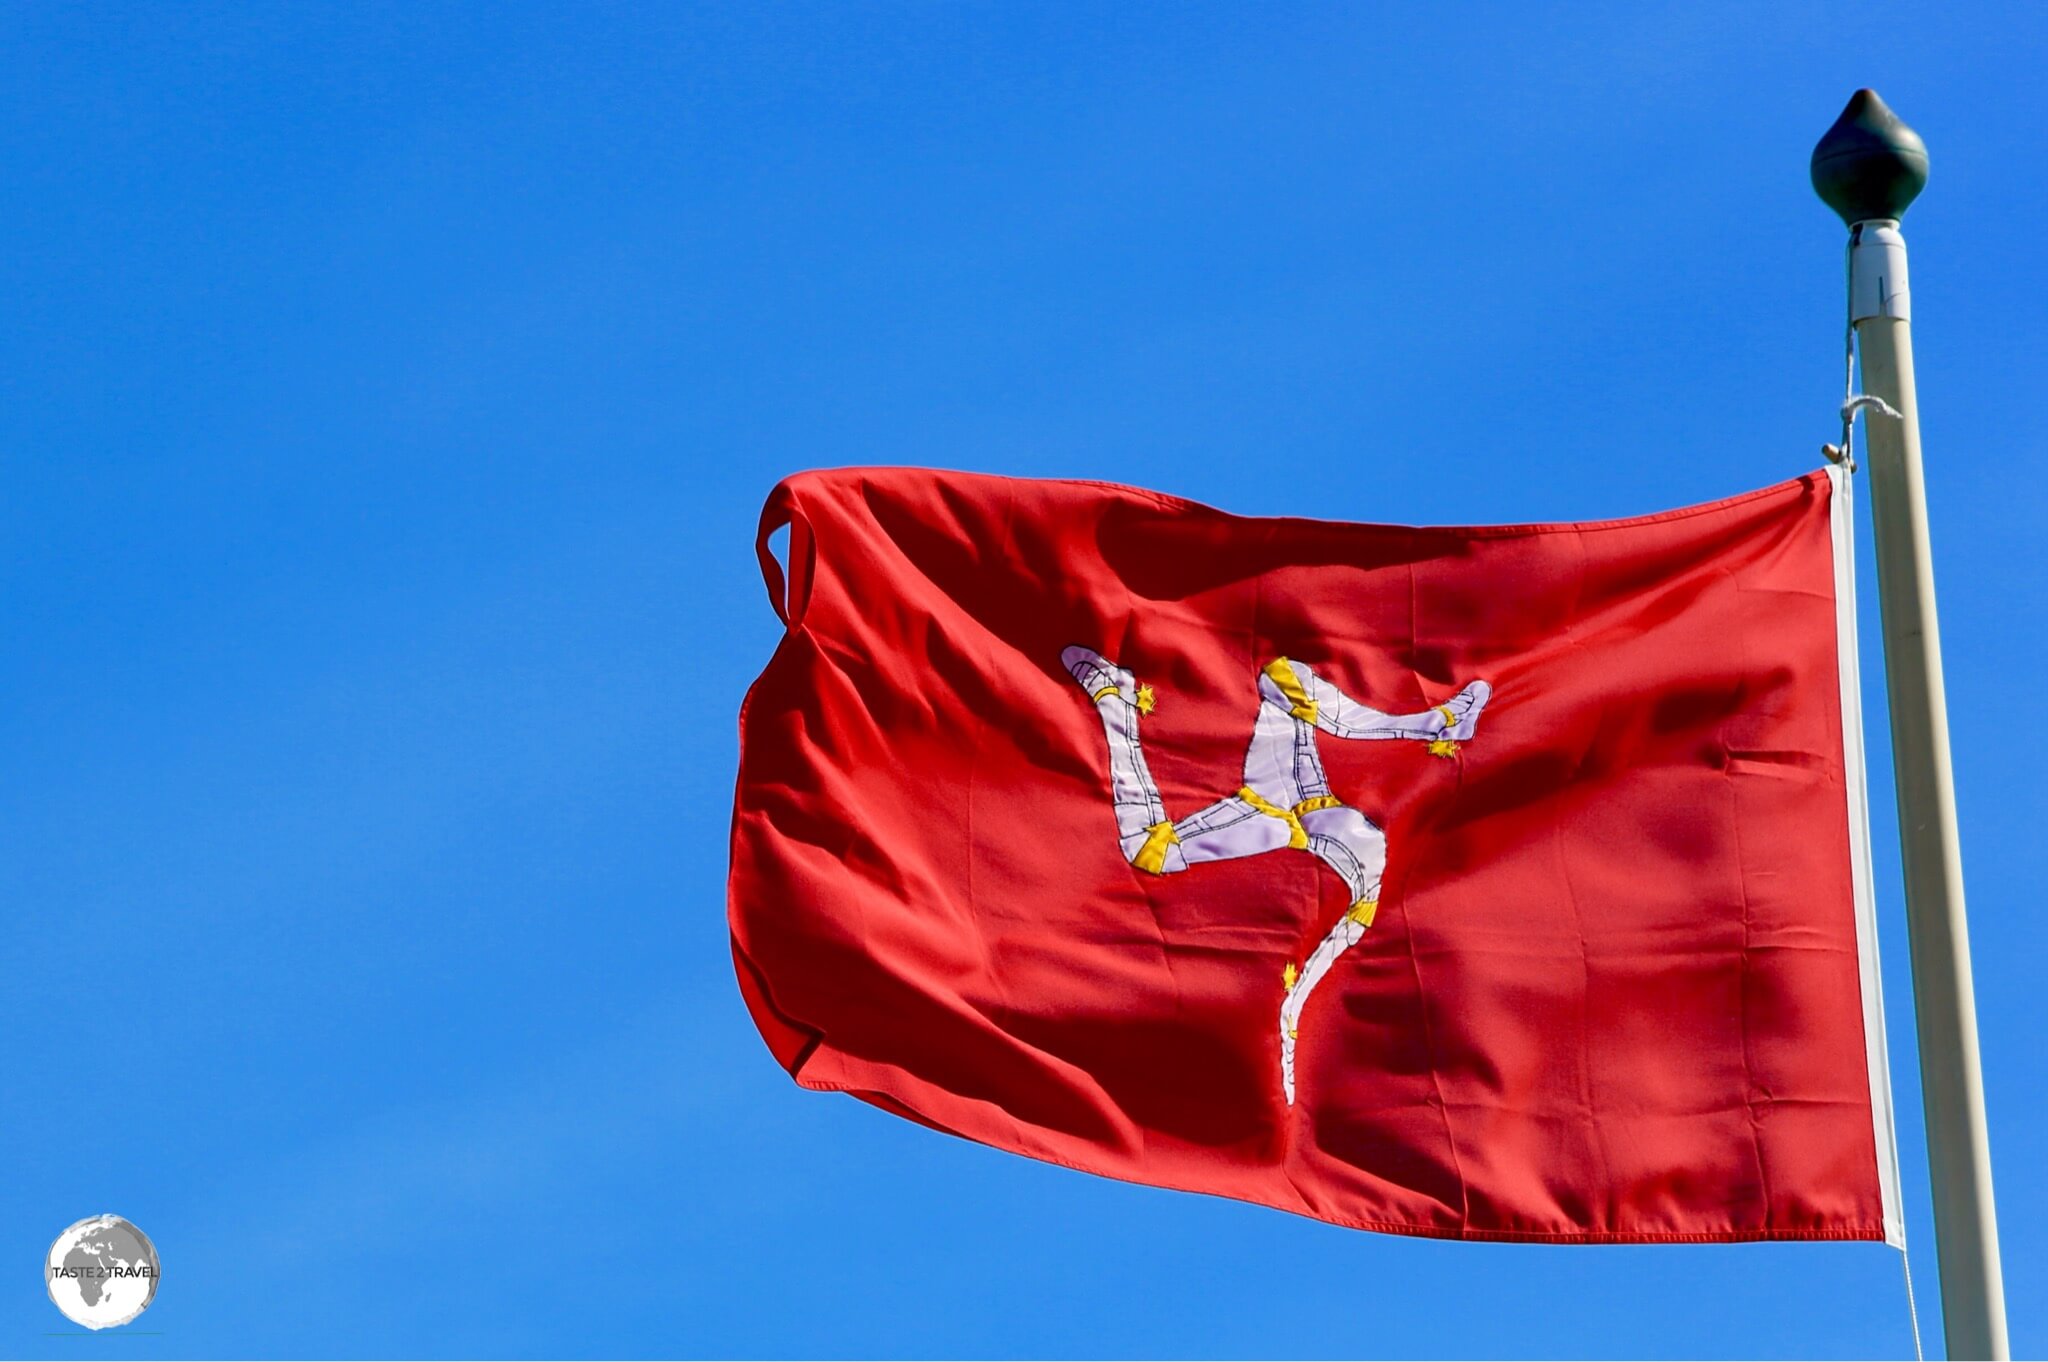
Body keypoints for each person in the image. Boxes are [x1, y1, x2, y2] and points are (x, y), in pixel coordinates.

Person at [1061, 644, 1490, 1103]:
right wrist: (1285, 1072)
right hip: (1323, 842)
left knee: (1151, 846)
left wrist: (1284, 1071)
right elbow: (1302, 993)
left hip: (1291, 822)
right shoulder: (1348, 938)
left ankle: (1115, 702)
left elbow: (1300, 993)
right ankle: (1434, 725)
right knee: (1283, 680)